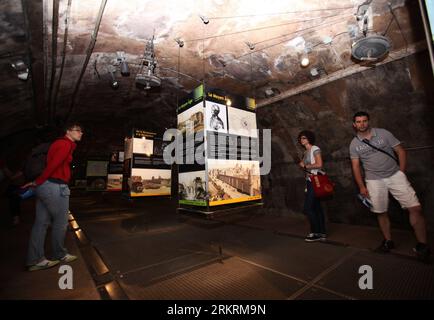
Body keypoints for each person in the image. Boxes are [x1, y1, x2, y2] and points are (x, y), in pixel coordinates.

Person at [349, 111, 430, 262]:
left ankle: (422, 245)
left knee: (415, 208)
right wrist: (361, 186)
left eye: (364, 121)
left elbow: (400, 151)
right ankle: (388, 241)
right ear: (354, 125)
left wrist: (401, 171)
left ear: (369, 121)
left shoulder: (383, 134)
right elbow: (355, 167)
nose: (362, 124)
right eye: (358, 122)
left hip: (394, 175)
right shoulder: (354, 144)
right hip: (373, 180)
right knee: (381, 211)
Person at [22, 123, 84, 271]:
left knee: (41, 223)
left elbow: (51, 165)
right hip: (54, 186)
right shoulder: (65, 144)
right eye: (78, 130)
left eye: (82, 131)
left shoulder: (59, 144)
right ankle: (59, 254)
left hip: (46, 186)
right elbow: (53, 166)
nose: (81, 133)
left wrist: (38, 183)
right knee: (61, 222)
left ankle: (35, 260)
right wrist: (37, 182)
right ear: (68, 131)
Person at [298, 130, 327, 242]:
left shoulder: (314, 148)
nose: (302, 140)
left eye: (304, 138)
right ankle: (322, 232)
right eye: (300, 138)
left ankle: (315, 232)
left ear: (309, 138)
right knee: (316, 208)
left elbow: (319, 164)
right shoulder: (305, 152)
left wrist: (305, 165)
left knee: (308, 208)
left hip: (316, 181)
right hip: (310, 181)